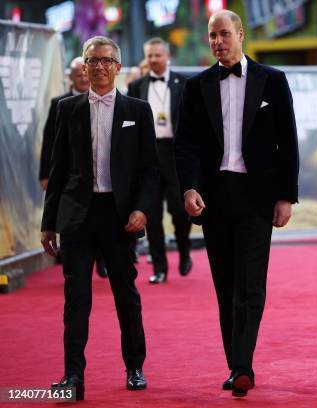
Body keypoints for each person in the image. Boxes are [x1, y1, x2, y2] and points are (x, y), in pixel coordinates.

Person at [174, 10, 299, 398]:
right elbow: (187, 144)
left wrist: (285, 196)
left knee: (251, 284)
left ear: (240, 35)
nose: (218, 42)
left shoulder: (273, 81)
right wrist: (189, 188)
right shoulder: (196, 86)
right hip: (214, 196)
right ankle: (236, 363)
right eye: (212, 36)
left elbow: (287, 141)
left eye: (224, 34)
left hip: (257, 196)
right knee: (225, 285)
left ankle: (242, 365)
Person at [40, 36, 159, 400]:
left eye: (107, 61)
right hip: (77, 216)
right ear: (84, 67)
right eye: (93, 61)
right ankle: (73, 376)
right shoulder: (68, 109)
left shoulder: (138, 111)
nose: (100, 67)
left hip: (120, 216)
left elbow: (150, 170)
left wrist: (141, 210)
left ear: (118, 67)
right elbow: (58, 170)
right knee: (76, 298)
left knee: (126, 293)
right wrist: (48, 222)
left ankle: (135, 366)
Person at [128, 37, 192, 283]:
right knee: (151, 213)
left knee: (179, 209)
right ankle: (160, 267)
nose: (153, 59)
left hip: (175, 154)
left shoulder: (184, 83)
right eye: (149, 55)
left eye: (157, 55)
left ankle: (185, 251)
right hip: (149, 155)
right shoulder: (137, 87)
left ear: (167, 56)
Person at [39, 57, 109, 278]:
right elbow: (50, 140)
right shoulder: (60, 104)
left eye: (83, 74)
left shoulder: (112, 102)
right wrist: (45, 173)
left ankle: (102, 259)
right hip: (72, 175)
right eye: (77, 74)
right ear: (71, 76)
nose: (81, 77)